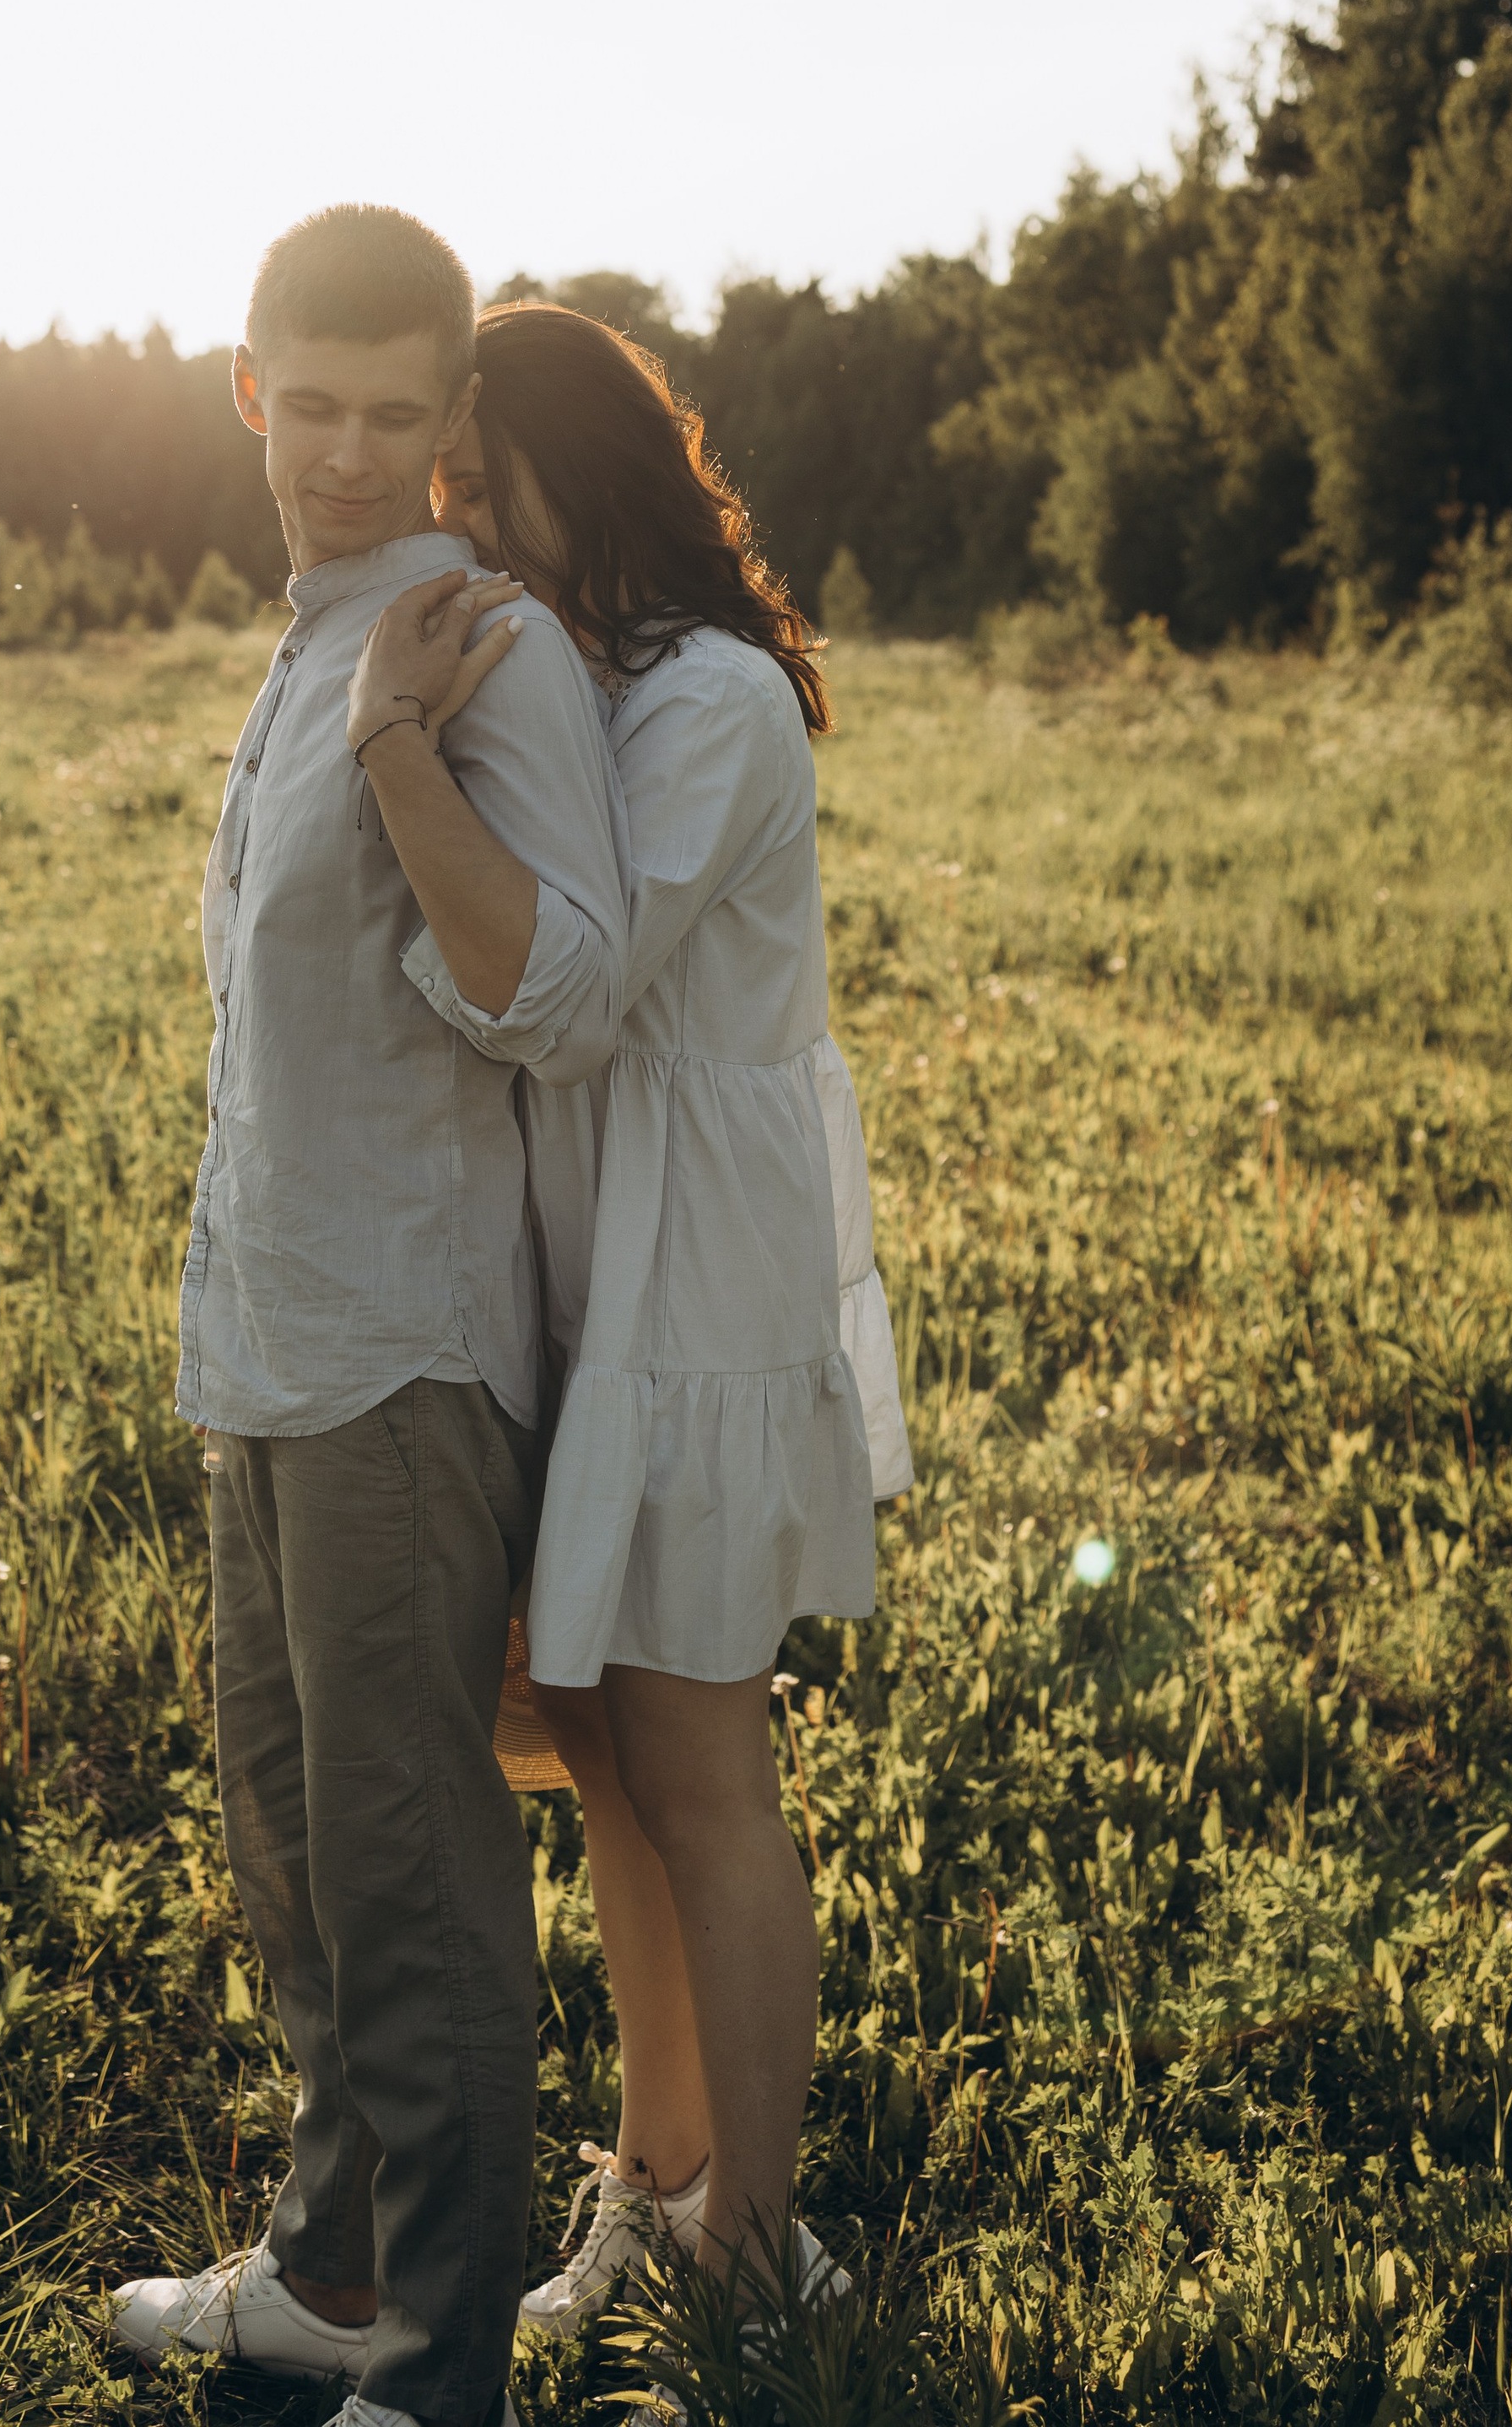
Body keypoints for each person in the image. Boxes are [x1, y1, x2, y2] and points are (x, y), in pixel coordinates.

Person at [107, 210, 627, 2427]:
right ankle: (328, 2269)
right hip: (270, 1342)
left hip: (404, 1357)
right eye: (304, 403)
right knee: (296, 1842)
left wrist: (415, 753)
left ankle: (433, 2375)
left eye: (391, 414)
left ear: (452, 421)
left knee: (408, 1875)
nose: (339, 449)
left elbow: (567, 988)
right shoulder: (319, 638)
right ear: (247, 387)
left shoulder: (470, 647)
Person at [427, 302, 914, 2322]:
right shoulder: (604, 674)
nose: (463, 521)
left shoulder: (703, 696)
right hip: (599, 1256)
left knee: (701, 1770)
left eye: (477, 479)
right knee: (608, 1752)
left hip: (695, 1276)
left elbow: (577, 982)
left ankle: (748, 2250)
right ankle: (653, 2170)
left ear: (570, 464)